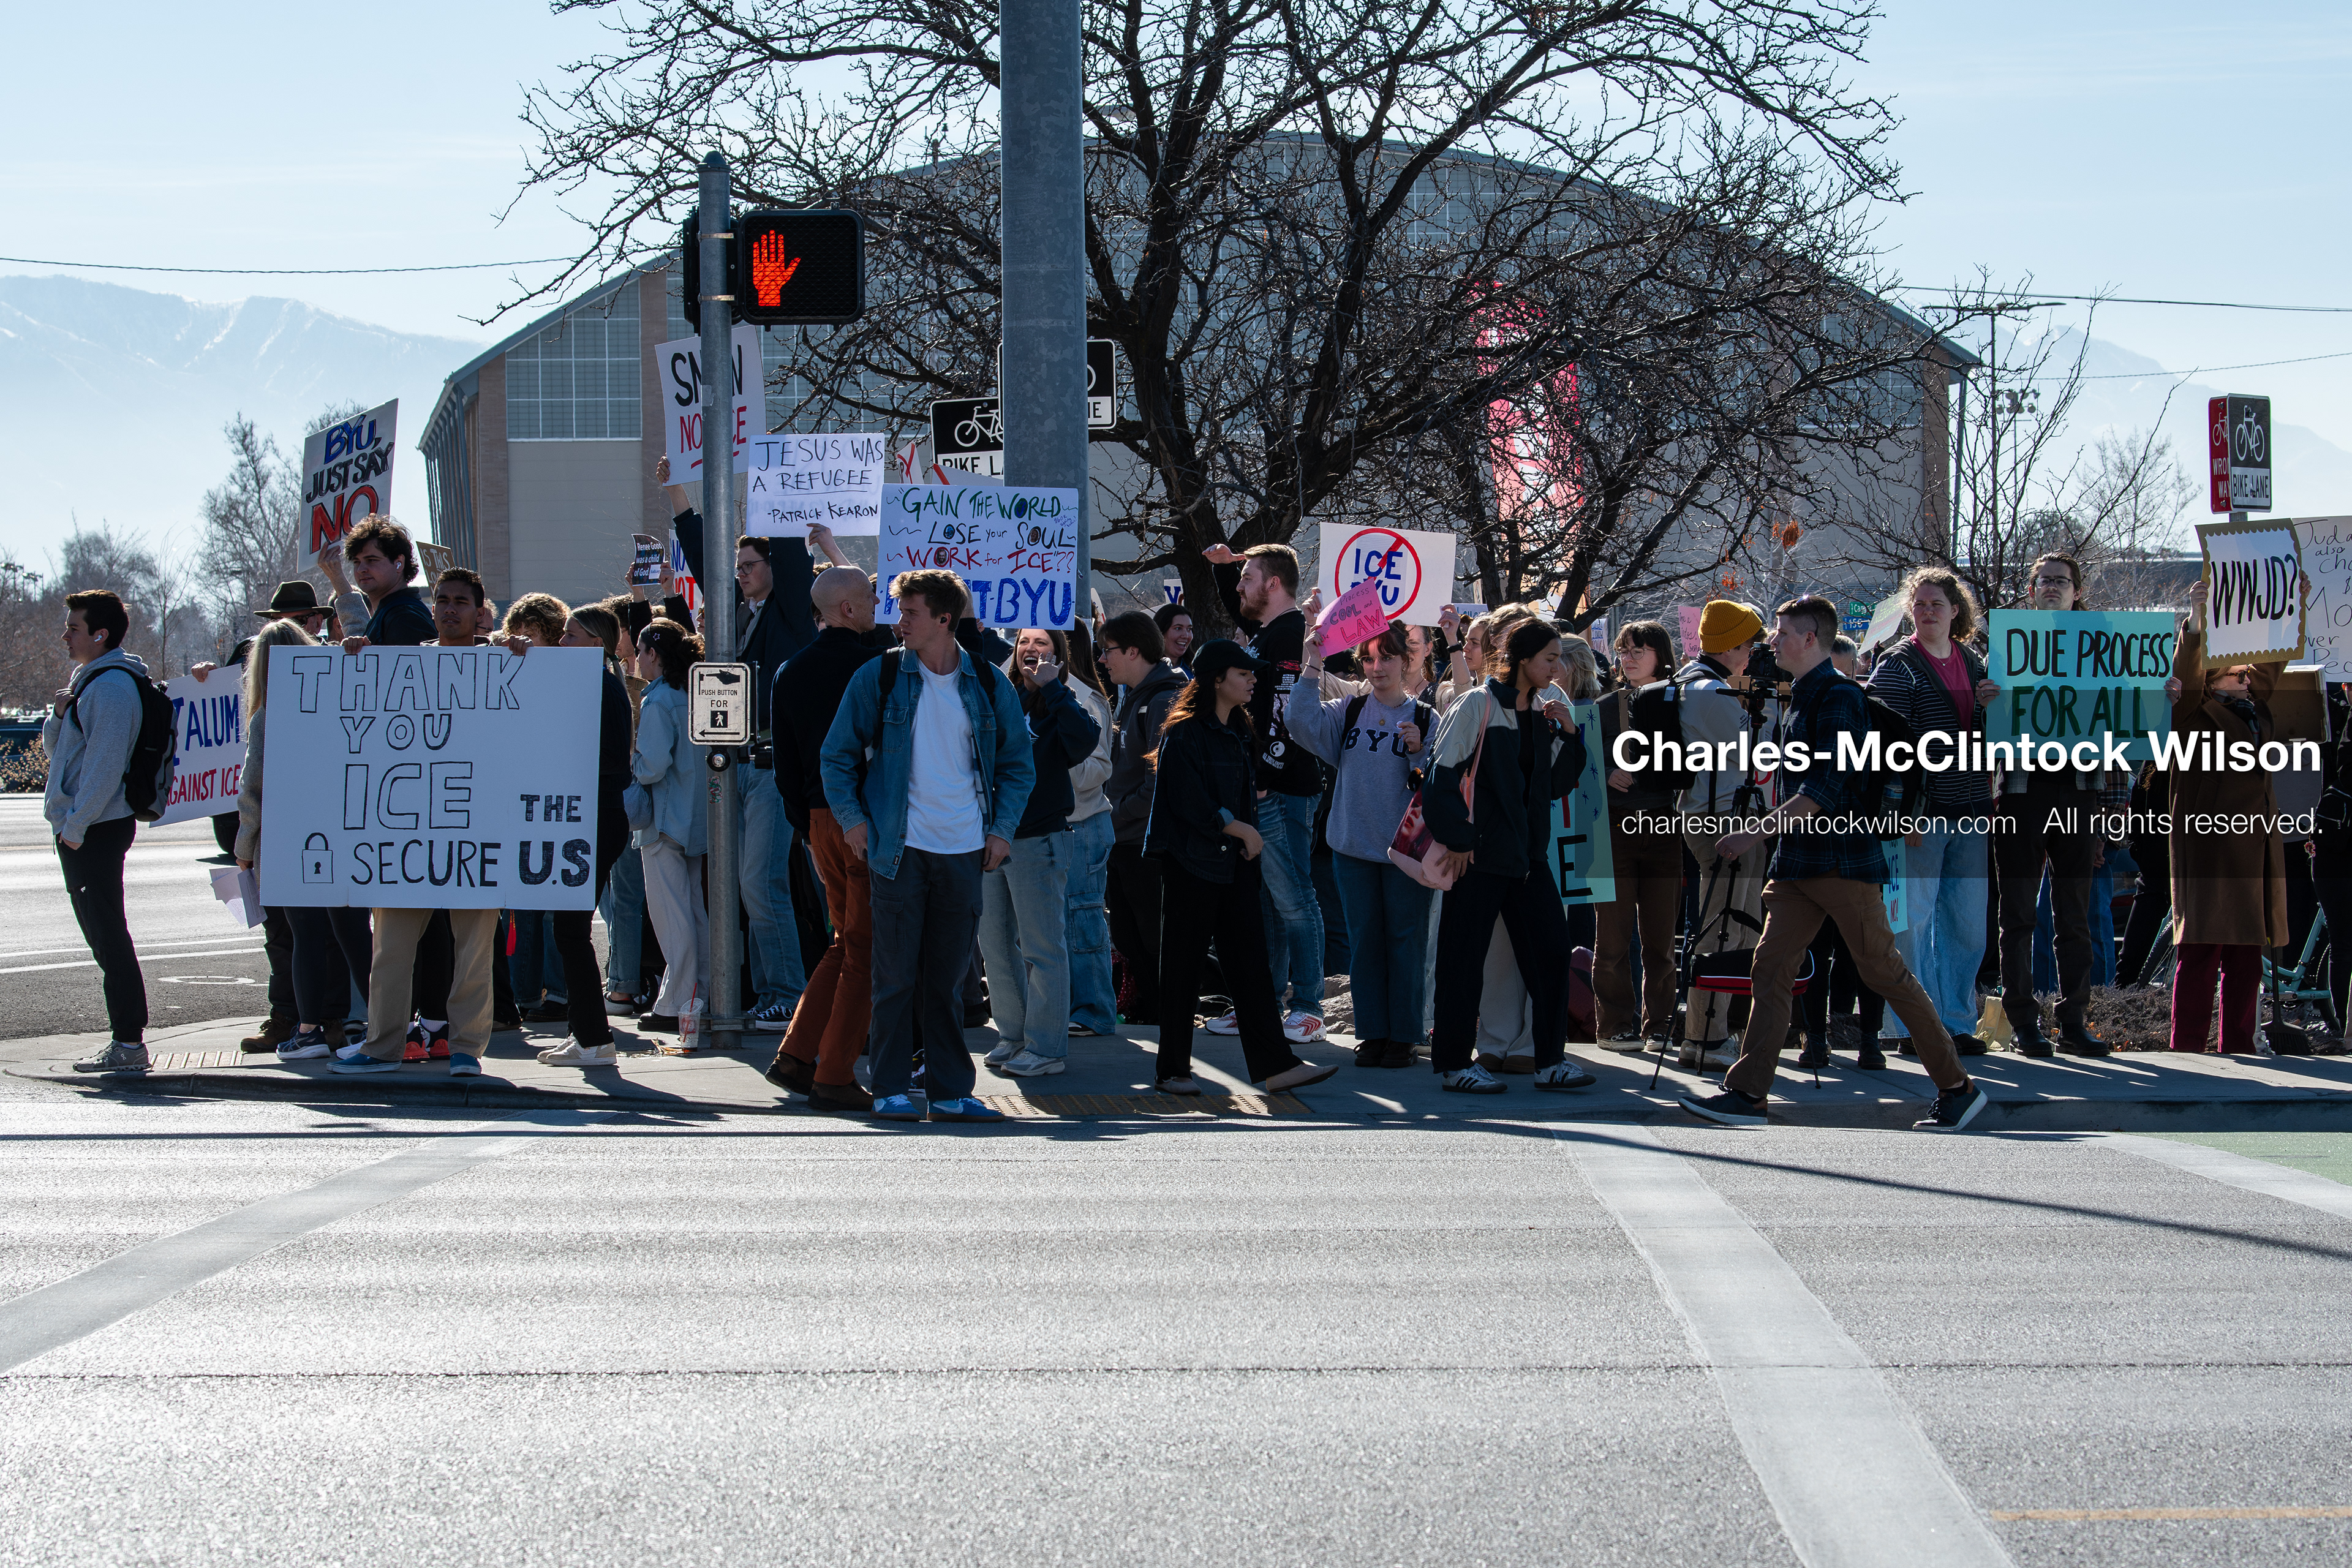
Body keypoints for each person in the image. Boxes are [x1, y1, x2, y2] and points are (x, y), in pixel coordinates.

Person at [1679, 597, 1989, 1132]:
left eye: (1781, 633)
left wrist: (1753, 829)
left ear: (1810, 639)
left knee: (1884, 973)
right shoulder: (1803, 694)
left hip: (1841, 860)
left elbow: (1825, 788)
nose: (1771, 642)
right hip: (1802, 861)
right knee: (1771, 970)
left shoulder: (1841, 697)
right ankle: (1749, 1094)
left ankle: (1958, 1088)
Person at [818, 569, 1035, 1125]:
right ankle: (889, 1086)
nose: (898, 621)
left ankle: (949, 1091)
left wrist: (1001, 830)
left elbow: (1018, 765)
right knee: (894, 977)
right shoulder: (881, 675)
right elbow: (836, 755)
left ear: (944, 619)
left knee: (946, 982)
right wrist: (853, 821)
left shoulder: (988, 681)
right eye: (898, 610)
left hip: (964, 850)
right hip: (898, 849)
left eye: (910, 613)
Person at [659, 454, 851, 1033]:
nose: (740, 573)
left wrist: (781, 499)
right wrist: (676, 489)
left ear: (774, 568)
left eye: (750, 564)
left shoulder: (792, 610)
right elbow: (701, 552)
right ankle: (770, 990)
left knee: (757, 882)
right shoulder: (730, 617)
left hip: (772, 766)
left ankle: (787, 993)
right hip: (732, 765)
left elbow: (791, 559)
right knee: (737, 885)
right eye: (737, 565)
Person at [1147, 639, 1341, 1096]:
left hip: (1233, 867)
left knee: (1252, 968)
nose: (1254, 679)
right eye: (1244, 673)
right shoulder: (1184, 732)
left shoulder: (1239, 727)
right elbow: (1187, 800)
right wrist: (1238, 829)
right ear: (1217, 679)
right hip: (1191, 865)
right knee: (1182, 969)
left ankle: (1277, 1066)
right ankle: (1172, 1071)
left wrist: (1245, 833)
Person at [1421, 620, 1596, 1095]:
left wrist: (1568, 735)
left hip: (1526, 858)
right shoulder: (1476, 704)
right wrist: (1460, 840)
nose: (1558, 668)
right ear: (1523, 660)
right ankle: (1456, 1064)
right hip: (1477, 857)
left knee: (1552, 954)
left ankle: (1550, 1061)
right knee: (1463, 962)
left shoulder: (1543, 709)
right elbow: (1439, 778)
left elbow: (1553, 787)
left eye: (1559, 658)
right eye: (1550, 659)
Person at [1866, 568, 2004, 1057]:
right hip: (1919, 815)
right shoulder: (1898, 666)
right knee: (1911, 924)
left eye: (1936, 603)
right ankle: (1910, 1027)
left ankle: (1956, 1023)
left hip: (1972, 811)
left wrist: (1992, 707)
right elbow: (1885, 746)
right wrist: (1900, 814)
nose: (1927, 610)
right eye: (1919, 603)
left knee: (1967, 926)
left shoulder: (1976, 662)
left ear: (1955, 610)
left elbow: (1993, 739)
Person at [1289, 615, 1434, 1071]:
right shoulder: (1349, 711)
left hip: (1406, 855)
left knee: (1404, 943)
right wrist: (1312, 663)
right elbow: (1299, 719)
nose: (1377, 667)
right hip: (1352, 849)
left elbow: (1433, 785)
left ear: (1406, 659)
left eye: (1387, 656)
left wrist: (1418, 753)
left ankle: (1404, 1037)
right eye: (1368, 658)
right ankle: (1373, 1033)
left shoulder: (1428, 717)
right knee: (1365, 943)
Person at [230, 616, 374, 1062]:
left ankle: (308, 1030)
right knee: (355, 935)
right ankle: (387, 1022)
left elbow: (254, 791)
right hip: (344, 834)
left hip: (290, 840)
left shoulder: (268, 717)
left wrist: (244, 848)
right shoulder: (341, 706)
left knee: (304, 936)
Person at [767, 566, 883, 1111]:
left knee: (847, 941)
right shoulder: (876, 669)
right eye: (869, 596)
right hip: (862, 818)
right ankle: (834, 1072)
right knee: (864, 947)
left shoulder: (790, 671)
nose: (878, 602)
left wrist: (807, 833)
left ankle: (797, 1054)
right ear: (848, 610)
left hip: (818, 818)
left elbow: (785, 766)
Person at [1202, 542, 1328, 1042]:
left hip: (1283, 790)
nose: (1240, 588)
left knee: (1296, 900)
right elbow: (1240, 608)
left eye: (1248, 578)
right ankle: (1264, 1002)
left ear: (1274, 584)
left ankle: (1310, 1006)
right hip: (1261, 790)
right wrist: (1225, 570)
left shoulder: (1293, 633)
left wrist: (1266, 777)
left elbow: (1284, 714)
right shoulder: (1269, 631)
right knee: (1268, 903)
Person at [2166, 578, 2290, 1054]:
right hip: (2211, 850)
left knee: (2247, 956)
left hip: (2254, 850)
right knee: (2201, 952)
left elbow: (2271, 666)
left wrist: (2290, 605)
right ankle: (2189, 1049)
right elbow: (2188, 671)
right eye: (2234, 672)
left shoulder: (2254, 710)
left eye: (2246, 672)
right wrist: (2196, 622)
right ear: (2211, 678)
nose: (2245, 676)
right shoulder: (2192, 712)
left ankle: (2239, 1045)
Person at [1989, 553, 2105, 1056]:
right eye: (2045, 581)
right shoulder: (2004, 646)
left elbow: (2120, 725)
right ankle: (2023, 1023)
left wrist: (2159, 697)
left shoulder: (2102, 648)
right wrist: (1983, 699)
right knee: (2017, 916)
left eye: (2063, 581)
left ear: (2077, 591)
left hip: (2079, 791)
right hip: (2021, 791)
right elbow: (1980, 727)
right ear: (2031, 589)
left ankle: (2074, 1021)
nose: (2054, 587)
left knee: (2074, 916)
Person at [975, 628, 1102, 1077]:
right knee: (994, 943)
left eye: (1042, 643)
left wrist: (1054, 686)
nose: (1032, 649)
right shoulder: (1005, 697)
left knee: (1042, 947)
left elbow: (1084, 742)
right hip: (994, 837)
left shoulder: (1064, 700)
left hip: (1040, 837)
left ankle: (1046, 1048)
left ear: (1059, 654)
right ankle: (1013, 1035)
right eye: (1025, 642)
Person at [49, 590, 154, 1077]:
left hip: (96, 828)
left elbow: (104, 768)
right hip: (86, 827)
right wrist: (59, 713)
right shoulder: (90, 683)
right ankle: (126, 1040)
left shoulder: (111, 688)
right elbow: (65, 753)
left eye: (73, 628)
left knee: (109, 935)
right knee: (102, 934)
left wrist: (75, 827)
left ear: (100, 634)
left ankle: (129, 1043)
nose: (66, 636)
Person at [528, 603, 636, 1067]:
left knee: (571, 930)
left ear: (596, 644)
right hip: (591, 819)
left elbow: (608, 763)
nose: (561, 643)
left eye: (570, 636)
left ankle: (593, 1040)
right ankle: (587, 1035)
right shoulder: (595, 685)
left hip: (595, 820)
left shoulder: (601, 688)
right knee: (568, 930)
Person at [1675, 601, 1778, 1070]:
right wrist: (1771, 704)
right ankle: (1705, 1039)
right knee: (1724, 926)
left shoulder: (1691, 682)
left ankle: (1708, 1034)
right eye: (1751, 643)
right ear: (1732, 644)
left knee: (1729, 924)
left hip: (1716, 813)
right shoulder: (1709, 692)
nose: (1755, 652)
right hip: (1720, 817)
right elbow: (1762, 750)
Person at [1594, 620, 1685, 1052]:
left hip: (1666, 825)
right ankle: (1614, 1023)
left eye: (1637, 650)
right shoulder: (1604, 706)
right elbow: (1581, 764)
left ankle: (1660, 1024)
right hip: (1614, 829)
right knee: (1611, 938)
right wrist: (1605, 771)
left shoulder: (1682, 701)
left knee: (1661, 940)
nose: (1627, 659)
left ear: (1660, 654)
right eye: (1622, 651)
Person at [1099, 610, 1188, 1025]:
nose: (1102, 660)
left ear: (1134, 651)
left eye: (1108, 651)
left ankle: (1162, 1016)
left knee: (1153, 940)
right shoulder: (1135, 696)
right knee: (1129, 937)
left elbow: (1160, 784)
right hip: (1124, 839)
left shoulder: (1164, 699)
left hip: (1145, 844)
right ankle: (1147, 1011)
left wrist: (1115, 815)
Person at [629, 617, 713, 1036]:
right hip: (698, 816)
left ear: (654, 655)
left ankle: (678, 1000)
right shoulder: (695, 690)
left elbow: (653, 766)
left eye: (641, 651)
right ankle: (703, 997)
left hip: (664, 819)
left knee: (671, 914)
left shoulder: (659, 700)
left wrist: (634, 761)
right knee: (695, 912)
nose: (637, 658)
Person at [1060, 622, 1121, 1037]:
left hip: (1081, 826)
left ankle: (1094, 1011)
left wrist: (1047, 773)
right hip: (1052, 827)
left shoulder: (1084, 699)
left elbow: (1099, 768)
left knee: (1082, 920)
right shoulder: (1024, 693)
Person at [318, 515, 436, 649]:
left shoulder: (405, 617)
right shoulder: (392, 611)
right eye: (357, 562)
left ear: (399, 563)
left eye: (372, 560)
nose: (361, 569)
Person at [1153, 601, 1196, 672]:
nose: (1186, 636)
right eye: (1178, 628)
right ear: (1161, 632)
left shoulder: (1197, 670)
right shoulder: (1145, 672)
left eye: (1189, 629)